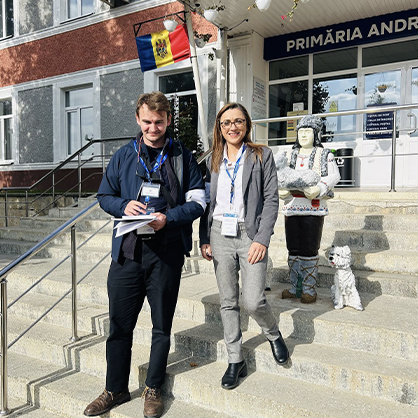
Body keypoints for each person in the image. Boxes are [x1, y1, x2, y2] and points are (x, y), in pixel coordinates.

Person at [84, 91, 205, 418]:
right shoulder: (124, 156)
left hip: (166, 254)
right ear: (138, 120)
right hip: (127, 254)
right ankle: (115, 389)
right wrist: (123, 205)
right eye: (147, 122)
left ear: (168, 120)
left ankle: (153, 387)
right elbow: (103, 195)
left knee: (161, 327)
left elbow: (198, 202)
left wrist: (171, 218)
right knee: (119, 327)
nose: (154, 128)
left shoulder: (183, 156)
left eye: (160, 122)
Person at [199, 103, 289, 391]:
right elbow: (207, 202)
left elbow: (272, 199)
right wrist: (204, 237)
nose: (232, 127)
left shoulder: (261, 155)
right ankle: (235, 359)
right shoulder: (212, 158)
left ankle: (273, 333)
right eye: (226, 123)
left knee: (252, 300)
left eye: (238, 121)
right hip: (219, 234)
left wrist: (262, 239)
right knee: (227, 301)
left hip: (249, 234)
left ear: (247, 125)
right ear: (219, 127)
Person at [278, 115, 340, 303]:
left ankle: (308, 288)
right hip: (292, 207)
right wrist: (282, 190)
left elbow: (334, 176)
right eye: (301, 131)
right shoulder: (288, 155)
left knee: (310, 248)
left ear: (316, 133)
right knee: (293, 247)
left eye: (307, 131)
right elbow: (280, 173)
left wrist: (319, 188)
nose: (303, 135)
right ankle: (294, 286)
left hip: (313, 208)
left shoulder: (325, 155)